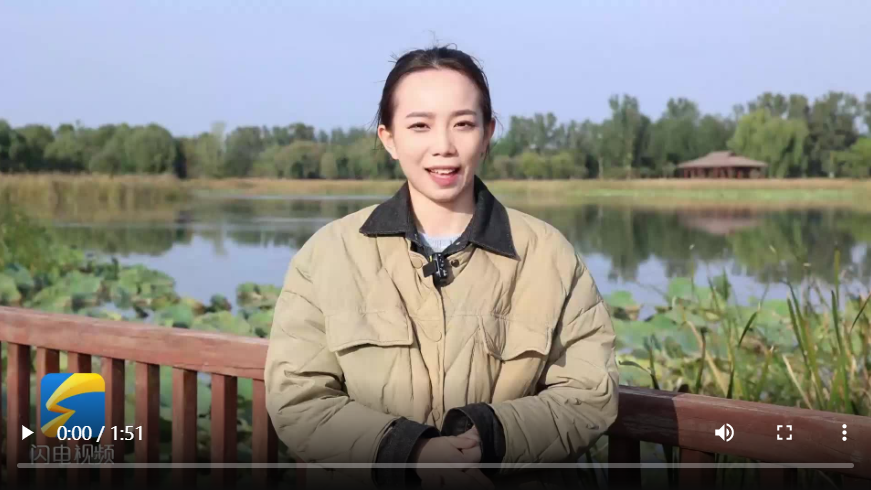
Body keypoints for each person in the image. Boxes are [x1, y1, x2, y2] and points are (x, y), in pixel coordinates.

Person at [264, 45, 619, 490]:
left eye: (463, 124)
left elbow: (588, 394)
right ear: (389, 138)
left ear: (487, 134)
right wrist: (410, 452)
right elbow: (298, 399)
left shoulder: (548, 256)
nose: (444, 147)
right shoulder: (328, 255)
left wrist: (485, 439)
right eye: (420, 125)